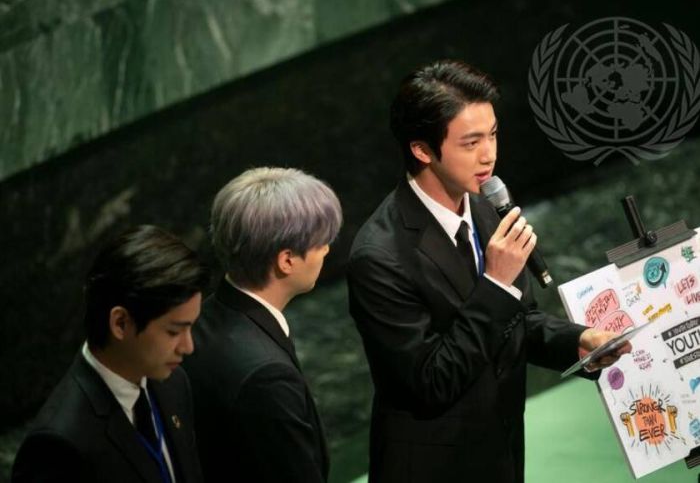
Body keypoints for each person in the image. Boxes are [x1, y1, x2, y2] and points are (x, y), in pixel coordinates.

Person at [347, 59, 631, 483]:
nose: (489, 155)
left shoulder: (484, 206)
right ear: (422, 149)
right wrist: (496, 283)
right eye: (470, 142)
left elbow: (518, 321)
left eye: (493, 134)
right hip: (432, 466)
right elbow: (430, 382)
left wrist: (579, 342)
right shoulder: (378, 256)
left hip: (499, 451)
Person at [12, 225, 209, 483]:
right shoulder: (58, 445)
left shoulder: (174, 383)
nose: (188, 347)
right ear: (120, 323)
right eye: (174, 332)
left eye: (191, 327)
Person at [183, 167, 342, 483]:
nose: (326, 249)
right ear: (286, 261)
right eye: (320, 241)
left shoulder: (200, 320)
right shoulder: (266, 377)